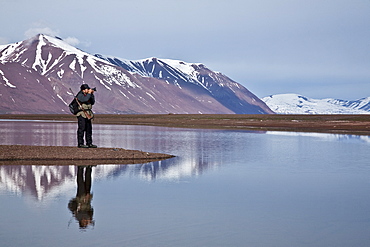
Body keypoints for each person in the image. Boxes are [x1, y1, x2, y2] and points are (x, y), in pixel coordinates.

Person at [76, 84, 97, 148]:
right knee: (81, 129)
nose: (88, 90)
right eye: (87, 89)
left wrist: (92, 94)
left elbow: (92, 102)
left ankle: (89, 143)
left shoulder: (88, 95)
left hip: (88, 114)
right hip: (82, 114)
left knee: (89, 129)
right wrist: (89, 94)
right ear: (83, 90)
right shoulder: (80, 95)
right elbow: (84, 100)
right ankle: (80, 143)